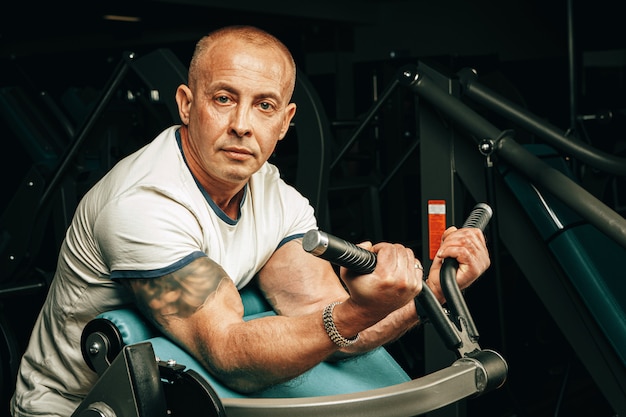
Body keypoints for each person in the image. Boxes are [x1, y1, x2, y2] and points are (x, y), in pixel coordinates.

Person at [10, 25, 490, 417]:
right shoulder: (144, 206)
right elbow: (228, 352)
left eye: (264, 105)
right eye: (223, 98)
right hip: (77, 408)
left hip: (179, 394)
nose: (243, 123)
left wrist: (429, 292)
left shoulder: (277, 199)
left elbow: (329, 329)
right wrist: (355, 311)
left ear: (284, 121)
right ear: (186, 103)